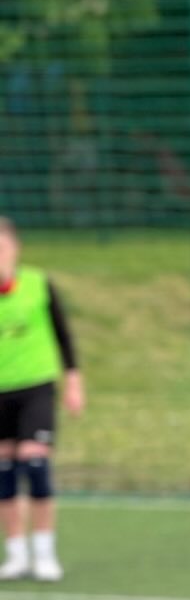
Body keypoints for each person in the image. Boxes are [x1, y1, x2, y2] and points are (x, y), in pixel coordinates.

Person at [0, 216, 84, 581]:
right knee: (4, 473)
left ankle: (45, 553)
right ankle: (16, 554)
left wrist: (74, 381)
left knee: (35, 464)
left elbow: (63, 335)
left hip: (36, 387)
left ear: (15, 249)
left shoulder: (37, 284)